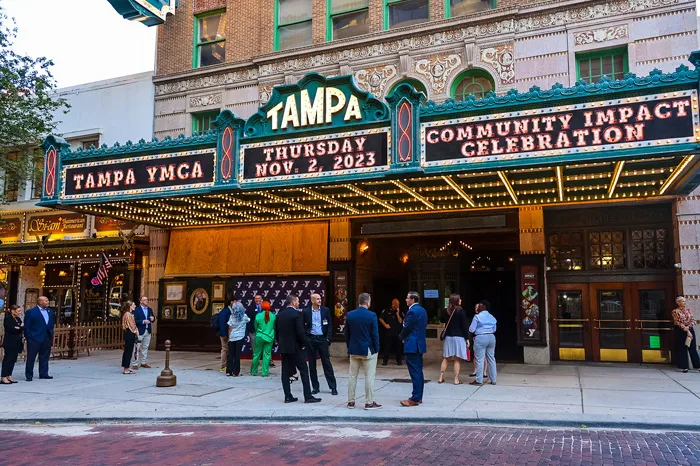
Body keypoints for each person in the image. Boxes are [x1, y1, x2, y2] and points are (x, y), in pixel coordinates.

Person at [275, 294, 320, 404]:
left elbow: (277, 332)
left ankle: (288, 396)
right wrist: (304, 344)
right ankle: (308, 396)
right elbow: (300, 332)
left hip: (284, 347)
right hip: (296, 347)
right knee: (304, 371)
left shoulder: (279, 315)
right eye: (298, 301)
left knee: (285, 372)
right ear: (294, 302)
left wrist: (280, 343)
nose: (298, 303)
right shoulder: (297, 314)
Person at [345, 292, 382, 410]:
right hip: (367, 349)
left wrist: (349, 346)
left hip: (354, 349)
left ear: (359, 301)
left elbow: (347, 334)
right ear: (368, 302)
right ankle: (369, 402)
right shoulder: (372, 315)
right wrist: (377, 349)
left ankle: (351, 401)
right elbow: (375, 335)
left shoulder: (350, 315)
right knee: (369, 376)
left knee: (352, 376)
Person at [303, 293, 338, 395]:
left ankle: (333, 387)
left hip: (322, 339)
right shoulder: (306, 312)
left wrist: (328, 338)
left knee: (326, 363)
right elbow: (302, 325)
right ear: (312, 301)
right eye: (317, 299)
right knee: (312, 365)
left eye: (320, 299)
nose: (319, 300)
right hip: (311, 339)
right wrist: (306, 338)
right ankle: (315, 387)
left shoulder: (325, 310)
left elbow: (330, 324)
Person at [399, 291, 427, 407]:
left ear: (412, 300)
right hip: (419, 344)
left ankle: (415, 398)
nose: (406, 300)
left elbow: (407, 327)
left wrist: (401, 337)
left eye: (407, 298)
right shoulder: (422, 310)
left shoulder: (412, 312)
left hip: (412, 345)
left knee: (415, 372)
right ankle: (418, 396)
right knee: (418, 371)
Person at [438, 294, 469, 385]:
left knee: (446, 357)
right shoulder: (461, 311)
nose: (461, 300)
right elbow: (464, 326)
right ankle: (456, 380)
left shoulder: (446, 311)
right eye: (459, 299)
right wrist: (467, 338)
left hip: (448, 337)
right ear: (456, 301)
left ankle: (440, 377)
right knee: (457, 359)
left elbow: (442, 320)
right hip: (459, 337)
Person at [24, 296, 54, 381]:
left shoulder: (50, 311)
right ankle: (29, 375)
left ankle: (44, 373)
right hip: (34, 338)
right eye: (46, 301)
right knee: (31, 357)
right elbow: (27, 326)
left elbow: (50, 324)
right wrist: (28, 337)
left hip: (46, 337)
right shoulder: (31, 312)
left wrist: (50, 333)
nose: (48, 302)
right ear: (40, 302)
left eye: (47, 301)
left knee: (44, 356)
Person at [469, 300, 498, 386]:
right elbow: (494, 329)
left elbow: (471, 329)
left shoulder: (477, 317)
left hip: (480, 337)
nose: (477, 308)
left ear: (482, 307)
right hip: (491, 337)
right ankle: (493, 379)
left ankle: (479, 380)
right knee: (491, 358)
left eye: (479, 306)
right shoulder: (492, 317)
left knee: (480, 359)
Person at [672, 296, 700, 373]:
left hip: (690, 329)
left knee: (692, 348)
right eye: (682, 301)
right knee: (682, 349)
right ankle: (684, 367)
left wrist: (689, 327)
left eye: (684, 301)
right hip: (681, 331)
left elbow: (692, 320)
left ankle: (697, 366)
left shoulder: (688, 310)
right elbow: (677, 321)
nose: (684, 303)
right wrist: (685, 329)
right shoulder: (675, 311)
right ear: (678, 302)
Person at [251, 301, 275, 377]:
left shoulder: (258, 315)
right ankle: (265, 373)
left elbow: (255, 326)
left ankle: (253, 371)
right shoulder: (273, 316)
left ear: (262, 307)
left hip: (259, 336)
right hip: (269, 337)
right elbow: (274, 327)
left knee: (256, 354)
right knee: (267, 355)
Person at [1, 305, 23, 384]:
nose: (19, 313)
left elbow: (22, 327)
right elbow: (11, 329)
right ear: (12, 311)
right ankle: (3, 376)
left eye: (20, 311)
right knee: (8, 359)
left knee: (13, 359)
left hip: (17, 341)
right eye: (18, 311)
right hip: (10, 341)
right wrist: (18, 327)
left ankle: (9, 375)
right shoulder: (8, 319)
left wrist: (19, 327)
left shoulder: (18, 319)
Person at [226, 302, 250, 377]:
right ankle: (236, 372)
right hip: (240, 337)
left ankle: (228, 371)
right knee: (237, 355)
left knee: (230, 354)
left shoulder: (231, 317)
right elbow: (249, 320)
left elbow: (230, 328)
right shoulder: (244, 316)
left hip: (232, 337)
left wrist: (229, 337)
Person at [132, 296, 155, 370]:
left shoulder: (149, 309)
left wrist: (152, 319)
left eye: (147, 299)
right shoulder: (137, 310)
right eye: (144, 300)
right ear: (141, 301)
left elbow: (152, 319)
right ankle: (135, 363)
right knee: (137, 348)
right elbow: (134, 321)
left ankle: (143, 362)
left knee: (145, 347)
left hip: (148, 330)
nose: (146, 301)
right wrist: (143, 321)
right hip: (140, 331)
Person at [379, 299, 404, 366]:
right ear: (393, 304)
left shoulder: (400, 311)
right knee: (387, 346)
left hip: (397, 332)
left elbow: (401, 321)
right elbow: (380, 318)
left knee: (398, 347)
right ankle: (385, 361)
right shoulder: (386, 310)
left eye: (398, 304)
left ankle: (399, 361)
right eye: (396, 304)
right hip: (389, 332)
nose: (397, 306)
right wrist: (385, 325)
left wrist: (398, 314)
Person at [121, 301, 138, 375]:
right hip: (130, 333)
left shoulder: (128, 314)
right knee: (129, 351)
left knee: (127, 350)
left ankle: (126, 367)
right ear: (130, 306)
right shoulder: (128, 314)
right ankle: (126, 368)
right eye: (133, 305)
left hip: (128, 333)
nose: (135, 306)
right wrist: (136, 332)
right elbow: (132, 325)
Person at [216, 299, 233, 373]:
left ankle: (227, 365)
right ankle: (223, 366)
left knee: (227, 349)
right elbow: (222, 323)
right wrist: (224, 334)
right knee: (225, 349)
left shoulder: (230, 311)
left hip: (228, 333)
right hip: (224, 334)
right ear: (231, 302)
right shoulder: (225, 311)